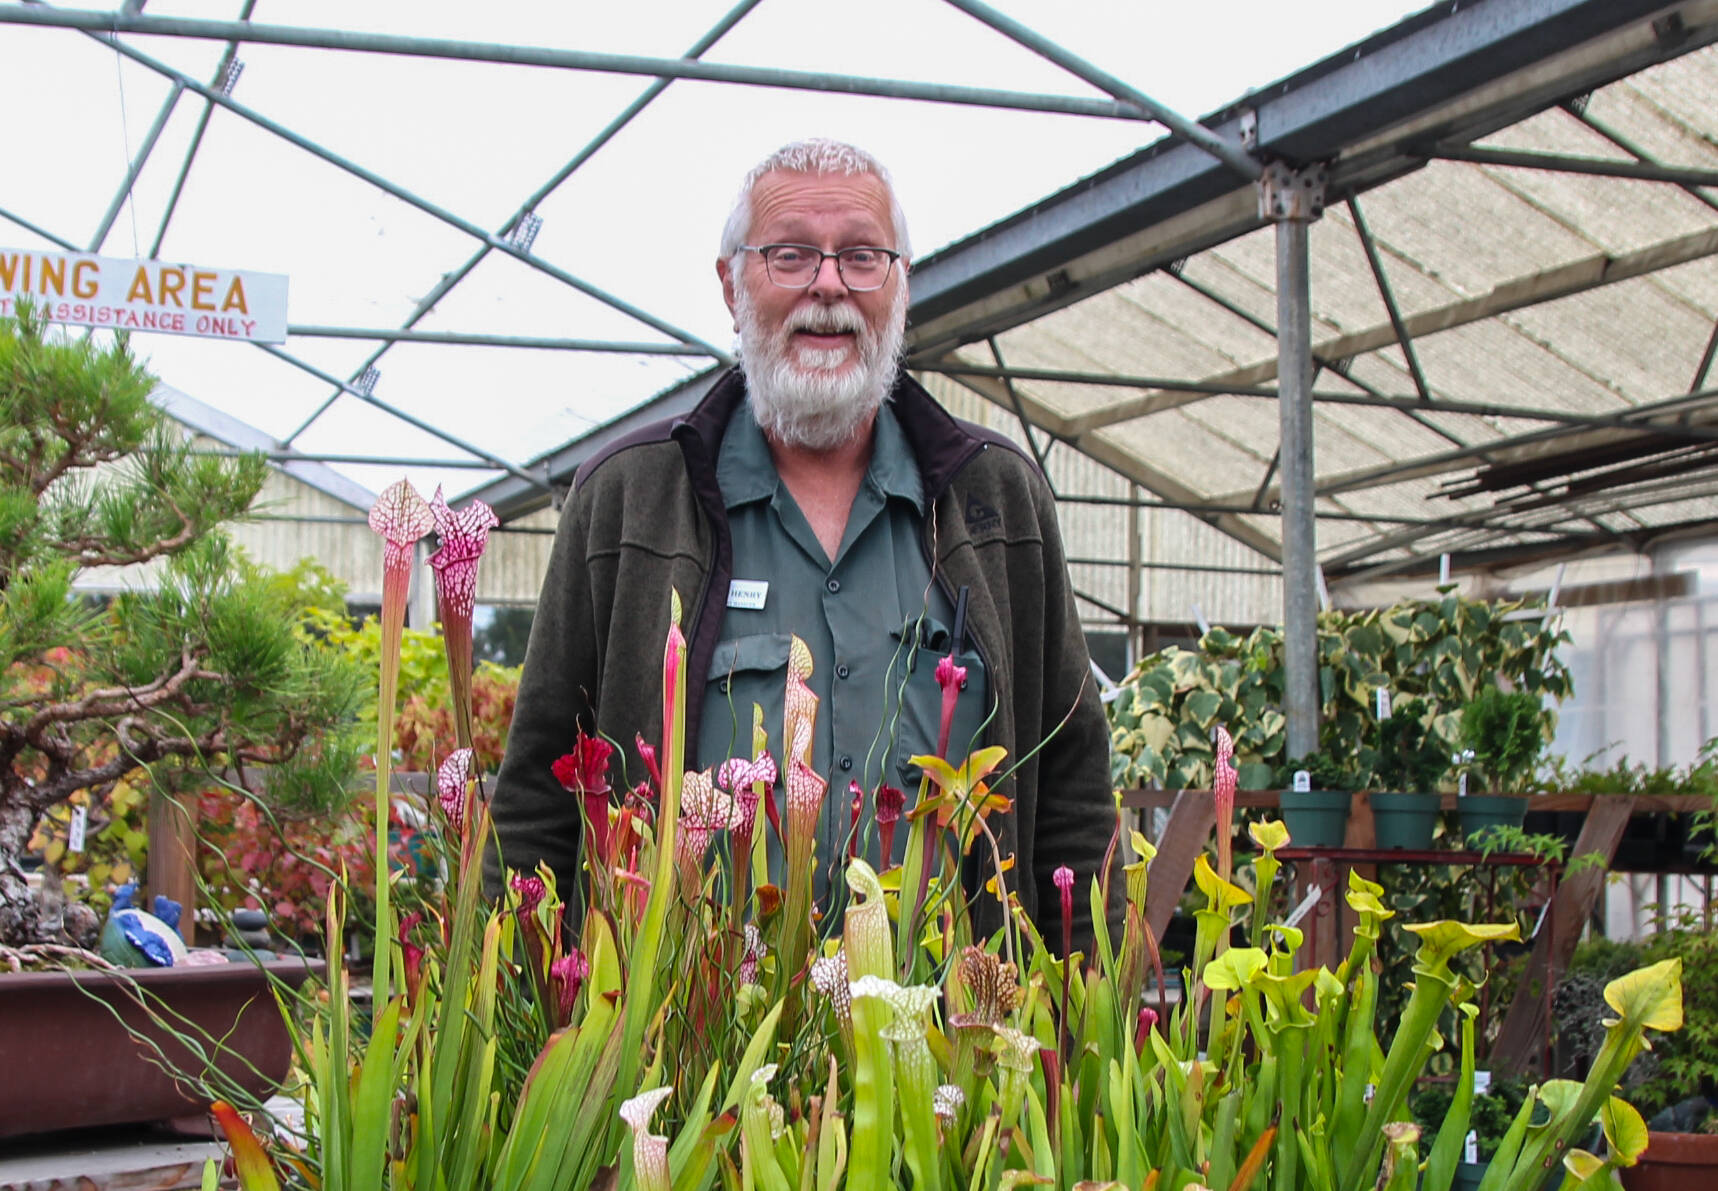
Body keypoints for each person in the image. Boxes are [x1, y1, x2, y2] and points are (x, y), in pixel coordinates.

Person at [489, 138, 1116, 942]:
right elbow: (540, 798)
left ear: (900, 284)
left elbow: (1073, 796)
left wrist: (1082, 1026)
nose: (828, 286)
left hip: (954, 1046)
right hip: (687, 1047)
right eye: (790, 256)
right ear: (731, 283)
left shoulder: (996, 501)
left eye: (862, 256)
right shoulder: (629, 500)